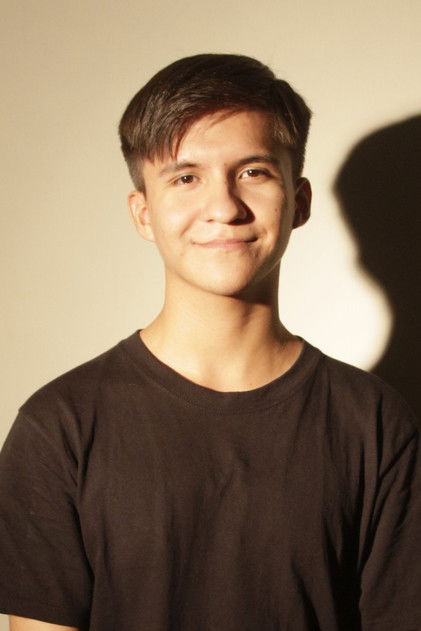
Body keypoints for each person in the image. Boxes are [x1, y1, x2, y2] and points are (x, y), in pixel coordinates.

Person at [0, 53, 420, 631]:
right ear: (143, 213)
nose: (223, 207)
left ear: (298, 202)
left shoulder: (375, 424)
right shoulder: (60, 427)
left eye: (253, 172)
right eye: (186, 178)